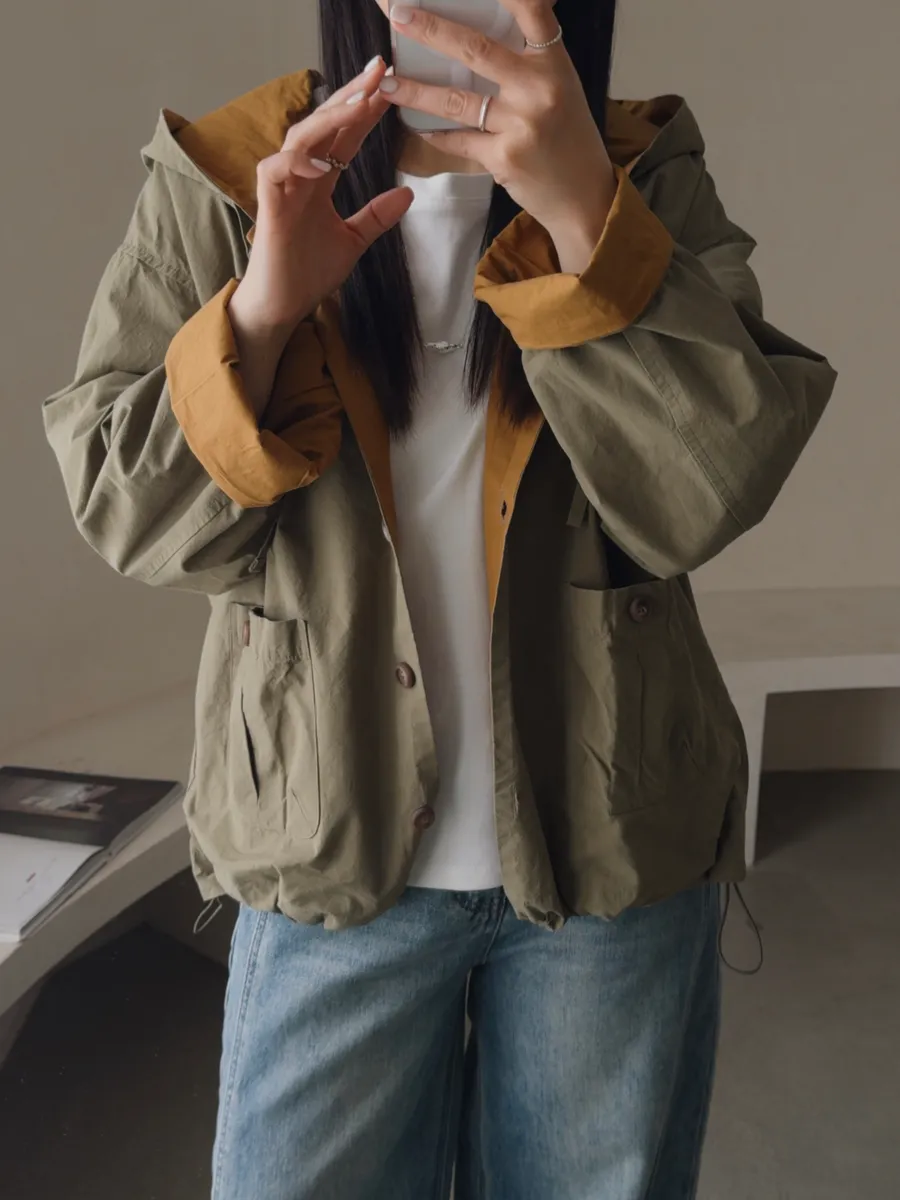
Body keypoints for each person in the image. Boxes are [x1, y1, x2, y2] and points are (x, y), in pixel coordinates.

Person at [43, 1, 837, 1196]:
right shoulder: (231, 176)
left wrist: (585, 220)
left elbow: (710, 491)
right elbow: (125, 510)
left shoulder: (641, 169)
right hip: (329, 849)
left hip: (609, 844)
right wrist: (261, 313)